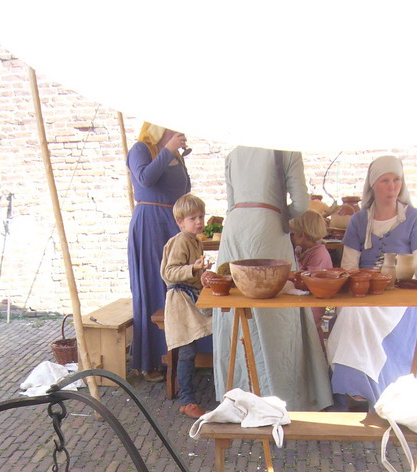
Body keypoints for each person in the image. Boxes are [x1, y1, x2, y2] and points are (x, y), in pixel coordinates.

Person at [212, 147, 332, 411]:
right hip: (267, 229)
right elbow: (301, 204)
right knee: (276, 313)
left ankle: (236, 394)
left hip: (234, 229)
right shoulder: (286, 148)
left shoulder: (233, 153)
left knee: (234, 306)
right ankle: (279, 396)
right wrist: (274, 215)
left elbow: (231, 202)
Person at [326, 155, 417, 409]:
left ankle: (378, 389)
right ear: (373, 185)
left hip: (398, 297)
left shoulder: (414, 219)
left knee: (358, 317)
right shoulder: (359, 220)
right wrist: (361, 282)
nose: (392, 186)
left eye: (396, 180)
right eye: (385, 180)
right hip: (362, 292)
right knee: (353, 316)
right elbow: (349, 265)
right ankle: (355, 390)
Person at [127, 123, 191, 381]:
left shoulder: (173, 153)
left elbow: (184, 188)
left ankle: (178, 352)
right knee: (153, 285)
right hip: (150, 219)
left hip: (173, 219)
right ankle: (148, 360)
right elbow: (145, 179)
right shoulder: (141, 149)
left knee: (178, 284)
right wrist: (167, 151)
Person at [159, 194, 213, 418]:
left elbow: (193, 273)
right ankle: (187, 400)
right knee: (187, 349)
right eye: (193, 218)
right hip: (180, 301)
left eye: (201, 216)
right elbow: (169, 273)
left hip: (191, 297)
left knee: (199, 341)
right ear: (181, 222)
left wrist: (202, 275)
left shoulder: (196, 240)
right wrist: (193, 269)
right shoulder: (181, 240)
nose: (199, 222)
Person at [289, 209, 333, 347]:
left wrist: (289, 275)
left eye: (293, 234)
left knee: (312, 331)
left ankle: (317, 360)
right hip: (305, 300)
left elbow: (312, 282)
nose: (291, 237)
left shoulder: (319, 254)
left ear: (302, 235)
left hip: (314, 303)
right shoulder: (300, 250)